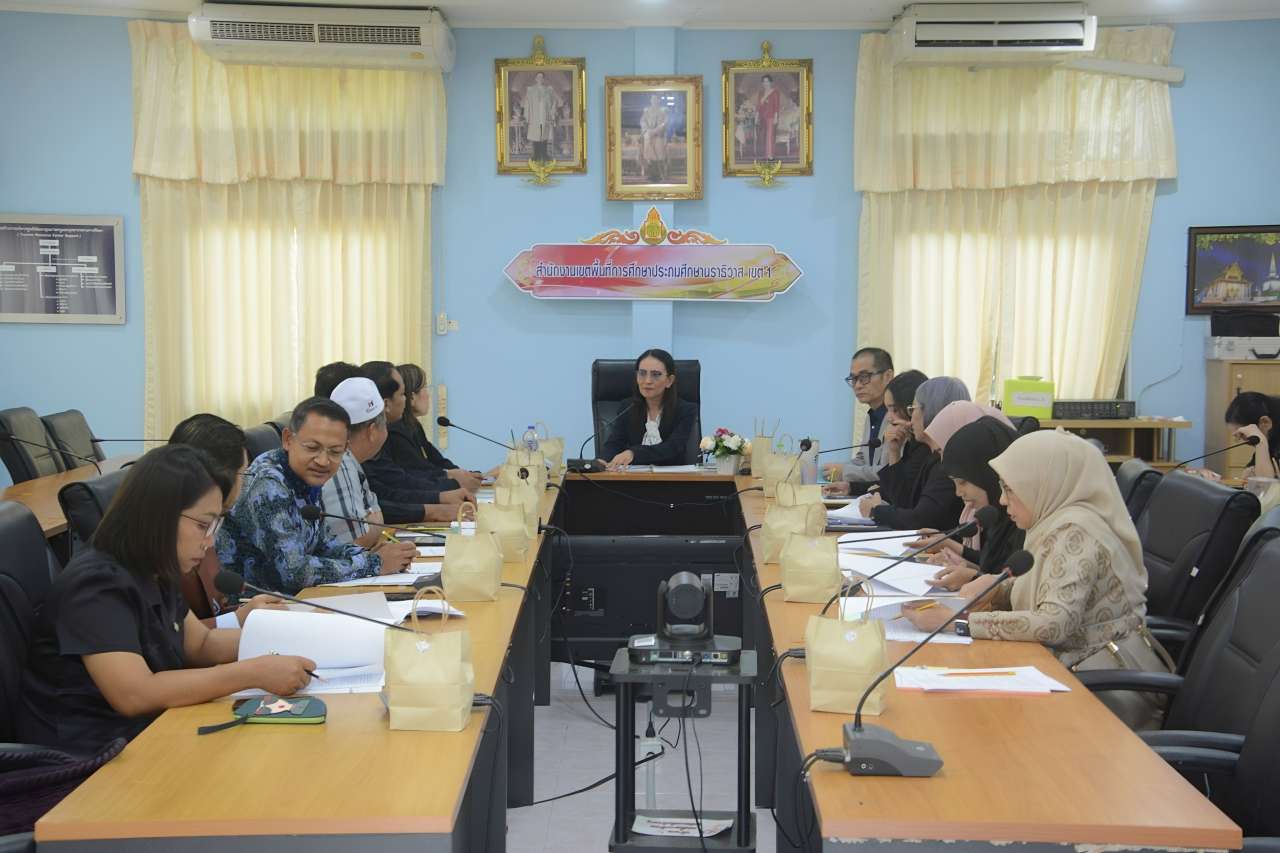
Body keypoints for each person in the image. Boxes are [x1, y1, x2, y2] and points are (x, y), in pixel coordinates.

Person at [17, 445, 317, 755]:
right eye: (203, 525)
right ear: (158, 516)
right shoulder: (95, 585)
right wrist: (252, 673)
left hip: (147, 733)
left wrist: (298, 637)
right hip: (87, 757)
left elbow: (201, 645)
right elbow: (135, 694)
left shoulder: (154, 566)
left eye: (214, 525)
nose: (210, 541)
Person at [904, 430, 1173, 730]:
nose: (1002, 500)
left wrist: (956, 622)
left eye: (1010, 489)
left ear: (1044, 484)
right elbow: (1046, 586)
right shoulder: (1054, 521)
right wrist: (997, 588)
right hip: (1068, 671)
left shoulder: (1075, 533)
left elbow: (1053, 623)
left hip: (1105, 693)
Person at [216, 397, 410, 595]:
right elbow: (294, 572)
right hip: (252, 606)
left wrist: (374, 556)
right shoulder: (269, 486)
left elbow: (325, 545)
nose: (323, 461)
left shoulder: (303, 477)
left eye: (335, 452)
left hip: (291, 599)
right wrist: (374, 564)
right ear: (288, 440)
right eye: (312, 448)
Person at [167, 413, 282, 628]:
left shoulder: (212, 522)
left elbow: (217, 607)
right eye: (243, 474)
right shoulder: (171, 537)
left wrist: (254, 612)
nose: (244, 485)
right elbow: (173, 635)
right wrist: (237, 619)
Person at [360, 361, 475, 522]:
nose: (406, 399)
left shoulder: (408, 427)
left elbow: (432, 464)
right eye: (403, 394)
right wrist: (442, 496)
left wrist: (459, 478)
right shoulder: (392, 433)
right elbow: (395, 486)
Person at [918, 416, 1025, 590]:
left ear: (988, 474)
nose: (958, 493)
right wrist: (963, 563)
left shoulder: (1024, 521)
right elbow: (993, 569)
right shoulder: (998, 518)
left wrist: (972, 576)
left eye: (962, 482)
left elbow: (1019, 591)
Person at [321, 378, 417, 565]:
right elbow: (357, 540)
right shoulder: (341, 463)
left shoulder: (352, 461)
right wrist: (373, 524)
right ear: (373, 431)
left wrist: (373, 524)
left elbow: (373, 524)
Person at [859, 373, 964, 530]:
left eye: (913, 409)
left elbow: (916, 515)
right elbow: (906, 498)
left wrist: (876, 511)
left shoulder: (944, 459)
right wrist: (894, 451)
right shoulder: (929, 452)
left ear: (931, 412)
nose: (912, 417)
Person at [390, 362, 483, 493]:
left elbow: (436, 460)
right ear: (412, 396)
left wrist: (465, 474)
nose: (428, 395)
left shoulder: (414, 425)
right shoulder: (396, 431)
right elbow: (420, 471)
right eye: (425, 387)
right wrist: (453, 478)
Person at [599, 348, 697, 470]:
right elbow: (615, 442)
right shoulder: (628, 407)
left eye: (656, 374)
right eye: (642, 373)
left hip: (672, 478)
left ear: (669, 381)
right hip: (632, 477)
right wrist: (602, 460)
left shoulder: (685, 410)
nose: (647, 381)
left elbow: (673, 447)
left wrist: (633, 453)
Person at [823, 347, 894, 495]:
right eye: (854, 379)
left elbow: (889, 471)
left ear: (887, 376)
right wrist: (835, 470)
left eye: (864, 377)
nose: (857, 385)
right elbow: (863, 459)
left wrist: (845, 471)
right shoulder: (872, 415)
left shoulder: (897, 417)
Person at [1223, 391, 1280, 478]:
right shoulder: (1271, 439)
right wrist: (1248, 472)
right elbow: (1252, 473)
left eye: (1243, 435)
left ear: (1265, 422)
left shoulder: (1263, 442)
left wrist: (1260, 441)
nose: (1238, 440)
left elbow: (1264, 482)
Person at [524, 71, 560, 162]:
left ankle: (544, 154)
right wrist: (527, 116)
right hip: (535, 116)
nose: (540, 79)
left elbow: (554, 102)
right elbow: (527, 104)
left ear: (543, 79)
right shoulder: (530, 90)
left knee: (544, 135)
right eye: (538, 77)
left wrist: (552, 114)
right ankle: (536, 155)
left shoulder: (548, 90)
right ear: (535, 79)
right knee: (536, 136)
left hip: (544, 116)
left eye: (541, 77)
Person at [640, 95, 669, 182]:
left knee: (658, 157)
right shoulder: (647, 111)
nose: (654, 101)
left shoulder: (663, 111)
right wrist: (648, 130)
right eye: (652, 99)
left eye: (656, 99)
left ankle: (659, 176)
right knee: (650, 157)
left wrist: (656, 130)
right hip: (649, 137)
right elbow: (642, 121)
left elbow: (665, 123)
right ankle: (651, 175)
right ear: (650, 101)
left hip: (658, 136)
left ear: (658, 100)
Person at [756, 74, 780, 159]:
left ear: (770, 82)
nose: (765, 83)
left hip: (771, 116)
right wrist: (756, 116)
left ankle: (770, 155)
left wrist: (776, 117)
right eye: (764, 82)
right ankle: (766, 154)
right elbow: (758, 106)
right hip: (762, 117)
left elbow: (776, 106)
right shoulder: (761, 93)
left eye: (767, 81)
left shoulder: (775, 92)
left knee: (769, 136)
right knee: (763, 136)